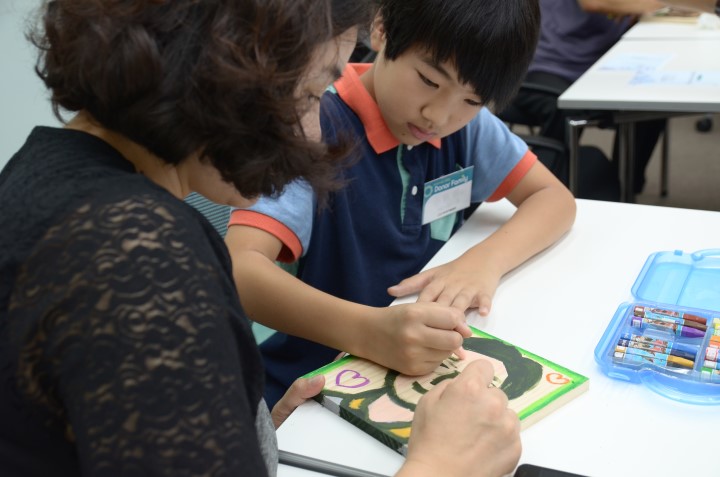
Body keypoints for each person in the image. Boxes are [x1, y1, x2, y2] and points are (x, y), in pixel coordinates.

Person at [0, 1, 521, 476]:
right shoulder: (140, 259)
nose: (314, 134)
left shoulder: (42, 176)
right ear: (222, 69)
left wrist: (250, 432)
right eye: (313, 93)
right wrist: (443, 467)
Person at [226, 0, 577, 409]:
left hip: (418, 374)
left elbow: (554, 199)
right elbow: (239, 269)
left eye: (472, 100)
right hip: (307, 391)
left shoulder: (468, 131)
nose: (438, 115)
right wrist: (369, 332)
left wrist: (484, 262)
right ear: (381, 30)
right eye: (429, 80)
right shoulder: (315, 127)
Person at [502, 0, 673, 195]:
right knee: (563, 105)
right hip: (550, 64)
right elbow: (594, 3)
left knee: (649, 105)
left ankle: (623, 189)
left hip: (600, 63)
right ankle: (542, 186)